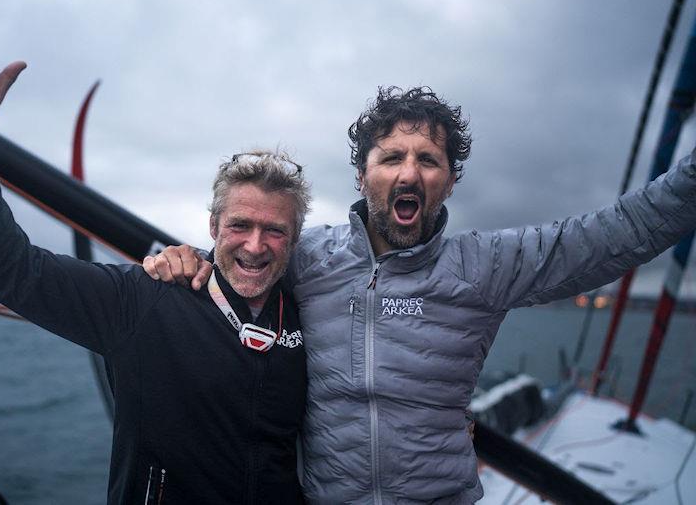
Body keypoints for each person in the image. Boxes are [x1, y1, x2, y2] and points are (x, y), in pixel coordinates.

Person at [144, 86, 696, 503]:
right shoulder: (308, 256)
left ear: (449, 181)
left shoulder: (485, 265)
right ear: (363, 177)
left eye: (428, 160)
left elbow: (616, 233)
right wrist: (182, 257)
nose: (410, 171)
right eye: (391, 158)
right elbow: (243, 252)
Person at [0, 45, 311, 504]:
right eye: (240, 225)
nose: (254, 245)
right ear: (213, 227)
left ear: (295, 236)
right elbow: (6, 265)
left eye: (274, 231)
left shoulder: (309, 308)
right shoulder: (144, 300)